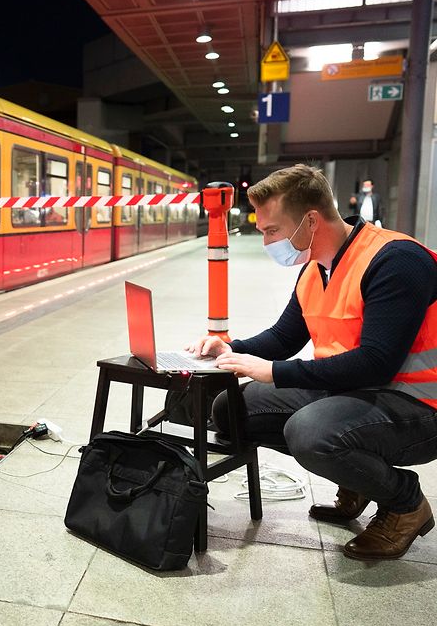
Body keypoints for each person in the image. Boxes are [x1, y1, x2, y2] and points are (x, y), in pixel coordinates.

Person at [187, 164, 437, 561]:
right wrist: (229, 350)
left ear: (310, 221)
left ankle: (405, 503)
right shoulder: (315, 267)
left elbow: (377, 363)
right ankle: (357, 478)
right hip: (356, 392)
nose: (267, 240)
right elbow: (284, 338)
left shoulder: (396, 261)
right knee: (231, 410)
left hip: (418, 404)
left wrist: (275, 372)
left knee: (311, 432)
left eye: (272, 230)